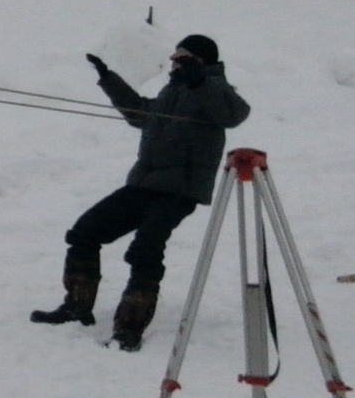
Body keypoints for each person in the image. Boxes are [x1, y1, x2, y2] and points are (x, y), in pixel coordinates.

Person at [31, 34, 250, 351]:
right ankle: (76, 308)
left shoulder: (212, 89)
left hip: (180, 191)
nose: (174, 61)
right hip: (143, 185)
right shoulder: (173, 89)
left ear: (201, 61)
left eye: (182, 57)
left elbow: (234, 114)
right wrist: (108, 78)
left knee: (145, 249)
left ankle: (129, 330)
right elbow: (140, 113)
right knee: (84, 232)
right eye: (175, 56)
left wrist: (200, 80)